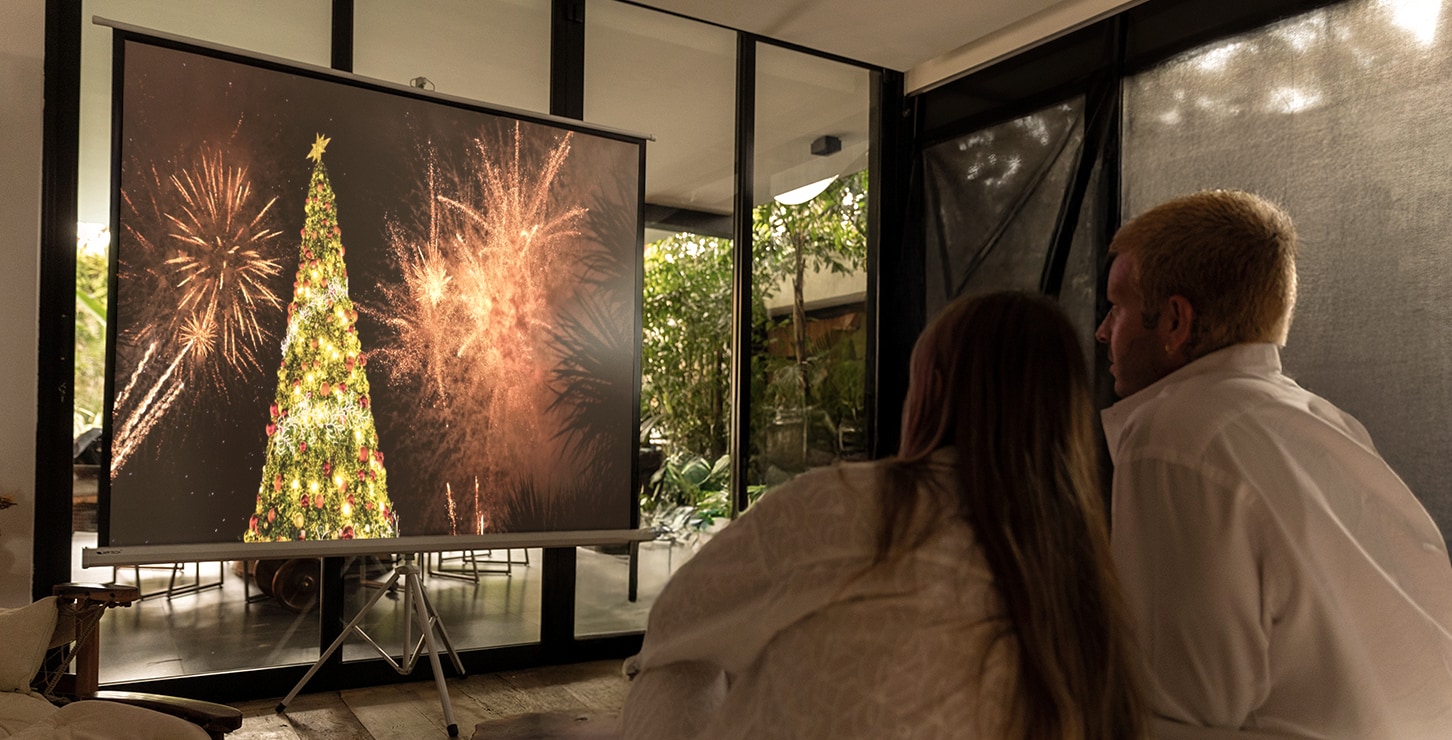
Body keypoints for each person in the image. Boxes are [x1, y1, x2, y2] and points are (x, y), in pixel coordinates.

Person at [621, 291, 1147, 740]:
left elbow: (678, 617)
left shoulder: (848, 504)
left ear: (932, 390)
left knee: (675, 665)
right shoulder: (1087, 592)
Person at [1096, 189, 1452, 738]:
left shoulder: (1172, 434)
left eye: (1117, 307)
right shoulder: (1328, 422)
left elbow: (1173, 708)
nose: (1102, 331)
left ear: (1174, 322)